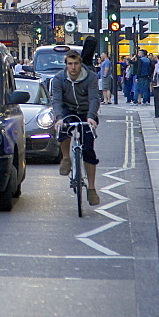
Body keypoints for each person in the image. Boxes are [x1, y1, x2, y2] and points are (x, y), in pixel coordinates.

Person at [50, 50, 101, 206]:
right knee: (63, 130)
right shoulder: (59, 79)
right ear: (66, 65)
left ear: (81, 63)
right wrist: (59, 118)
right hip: (68, 109)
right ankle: (66, 158)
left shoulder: (90, 77)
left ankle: (91, 188)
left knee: (88, 150)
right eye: (70, 64)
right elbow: (57, 101)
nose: (73, 67)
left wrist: (91, 116)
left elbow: (94, 98)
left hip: (86, 111)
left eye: (76, 63)